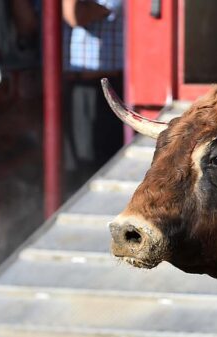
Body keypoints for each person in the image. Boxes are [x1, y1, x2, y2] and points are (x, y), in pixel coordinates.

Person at [62, 0, 124, 196]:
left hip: (108, 84)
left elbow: (77, 15)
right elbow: (74, 14)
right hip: (78, 85)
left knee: (104, 163)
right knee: (80, 164)